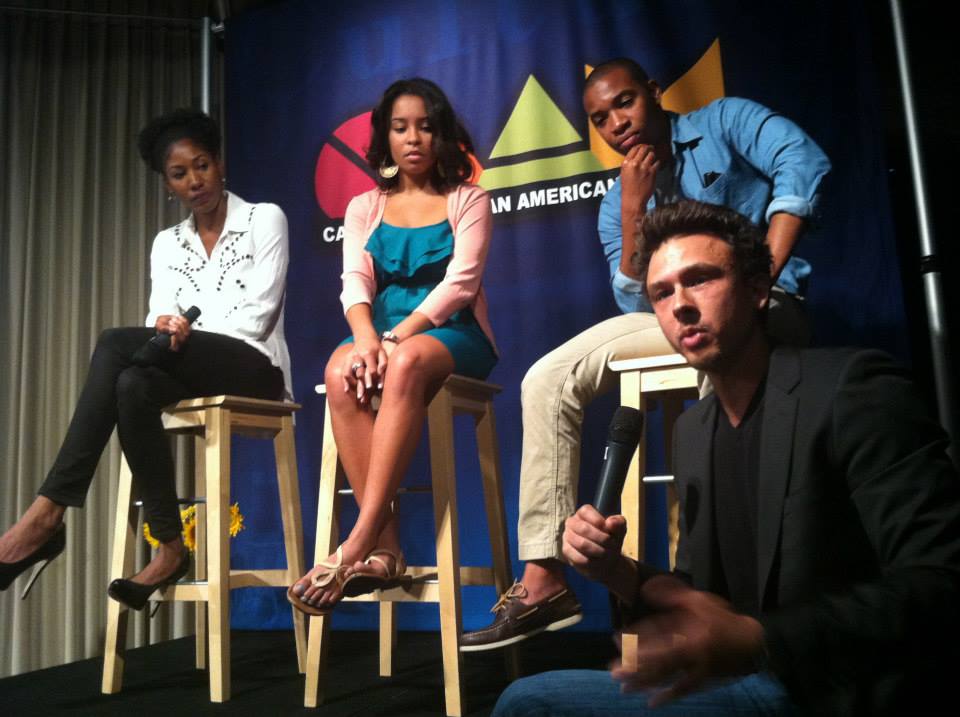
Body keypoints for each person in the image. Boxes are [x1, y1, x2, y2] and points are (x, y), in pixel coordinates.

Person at [492, 201, 960, 716]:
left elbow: (940, 585)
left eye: (701, 280)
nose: (680, 306)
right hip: (749, 679)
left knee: (530, 703)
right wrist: (614, 570)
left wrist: (759, 638)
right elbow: (698, 594)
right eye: (662, 294)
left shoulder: (853, 389)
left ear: (758, 290)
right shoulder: (696, 430)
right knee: (528, 697)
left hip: (838, 687)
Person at [463, 57, 832, 651]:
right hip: (673, 319)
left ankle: (716, 588)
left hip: (767, 304)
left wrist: (760, 276)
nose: (617, 124)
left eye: (626, 103)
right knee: (547, 376)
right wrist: (635, 205)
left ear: (655, 94)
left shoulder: (724, 122)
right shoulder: (618, 199)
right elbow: (633, 296)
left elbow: (803, 161)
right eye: (600, 119)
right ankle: (544, 579)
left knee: (723, 361)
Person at [0, 109, 292, 610]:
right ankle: (169, 547)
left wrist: (184, 336)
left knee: (115, 345)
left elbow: (258, 316)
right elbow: (160, 311)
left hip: (254, 366)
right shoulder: (166, 243)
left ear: (220, 165)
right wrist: (166, 328)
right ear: (168, 187)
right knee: (131, 384)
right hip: (191, 364)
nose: (195, 181)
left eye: (202, 166)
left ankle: (47, 515)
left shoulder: (263, 218)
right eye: (180, 174)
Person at [287, 78, 497, 614]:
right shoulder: (365, 206)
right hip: (379, 333)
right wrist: (365, 340)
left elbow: (462, 283)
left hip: (451, 334)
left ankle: (357, 539)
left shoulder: (468, 198)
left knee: (402, 360)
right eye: (401, 127)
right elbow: (354, 281)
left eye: (426, 126)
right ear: (386, 136)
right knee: (339, 372)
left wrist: (394, 337)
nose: (414, 138)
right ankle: (388, 547)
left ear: (443, 134)